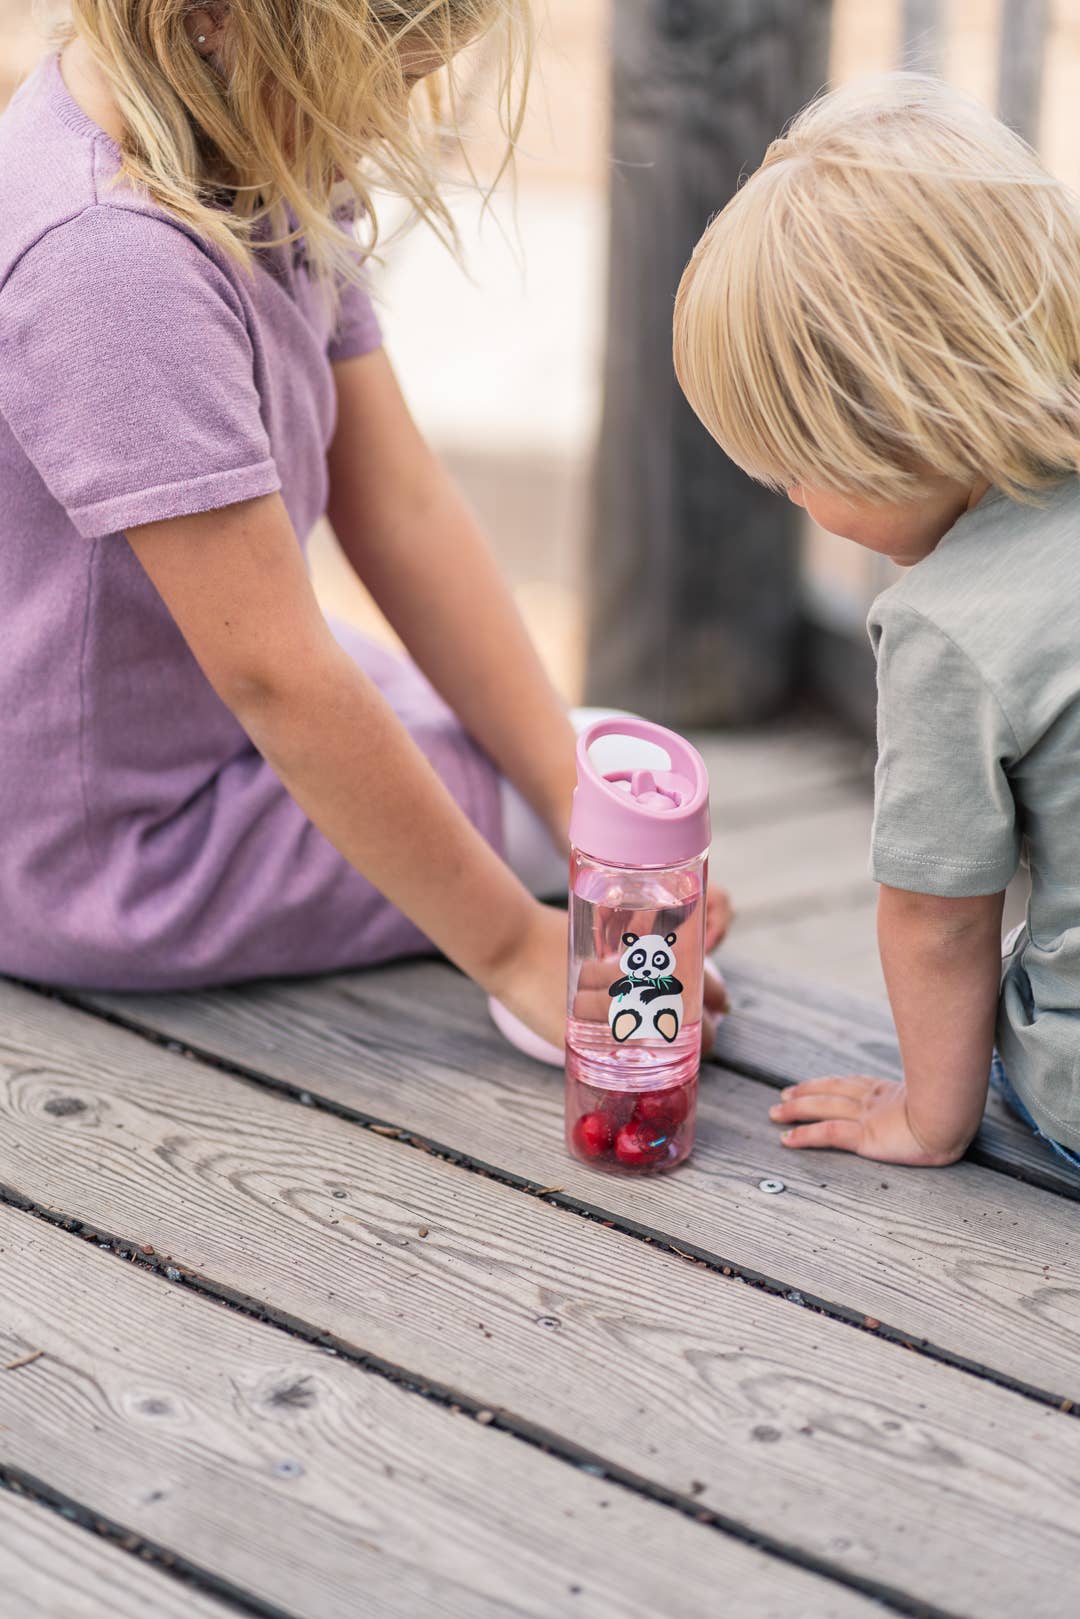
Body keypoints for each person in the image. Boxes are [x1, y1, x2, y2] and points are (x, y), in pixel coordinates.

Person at [0, 1, 729, 1051]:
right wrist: (518, 949)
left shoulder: (240, 132)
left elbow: (400, 502)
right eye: (383, 80)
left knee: (618, 792)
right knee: (612, 841)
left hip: (201, 715)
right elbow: (280, 679)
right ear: (213, 21)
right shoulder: (110, 266)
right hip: (119, 850)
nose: (385, 122)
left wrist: (586, 812)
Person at [673, 71, 1080, 1169]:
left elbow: (941, 916)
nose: (795, 497)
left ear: (899, 427)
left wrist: (928, 1116)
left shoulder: (949, 628)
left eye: (793, 467)